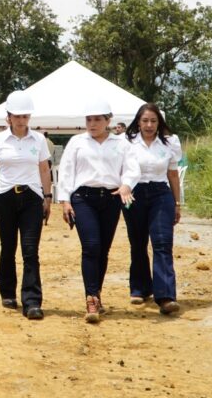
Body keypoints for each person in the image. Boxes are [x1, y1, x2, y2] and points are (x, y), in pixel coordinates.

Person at [56, 99, 139, 323]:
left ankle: (97, 292)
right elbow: (66, 171)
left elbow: (132, 168)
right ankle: (90, 298)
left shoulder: (121, 144)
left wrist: (127, 184)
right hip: (83, 198)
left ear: (108, 120)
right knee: (91, 246)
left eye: (97, 119)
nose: (92, 124)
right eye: (89, 119)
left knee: (103, 249)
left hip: (111, 199)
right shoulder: (77, 142)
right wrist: (65, 200)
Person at [0, 91, 52, 320]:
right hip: (5, 197)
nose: (21, 120)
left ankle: (32, 301)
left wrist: (47, 197)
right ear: (9, 117)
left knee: (30, 250)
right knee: (8, 247)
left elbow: (44, 169)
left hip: (32, 197)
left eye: (25, 116)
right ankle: (7, 291)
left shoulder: (39, 140)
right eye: (17, 116)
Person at [123, 103, 182, 315]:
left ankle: (165, 296)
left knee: (162, 242)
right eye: (145, 120)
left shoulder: (170, 143)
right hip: (133, 194)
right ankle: (140, 288)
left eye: (153, 121)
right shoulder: (126, 142)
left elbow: (173, 174)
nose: (149, 125)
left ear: (160, 123)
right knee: (138, 242)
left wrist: (177, 203)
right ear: (138, 122)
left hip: (161, 194)